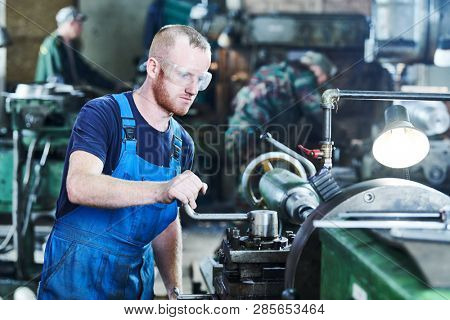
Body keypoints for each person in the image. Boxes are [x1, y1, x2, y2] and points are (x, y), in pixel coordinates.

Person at [37, 25, 212, 299]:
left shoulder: (182, 144)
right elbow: (79, 185)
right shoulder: (103, 114)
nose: (193, 89)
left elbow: (166, 222)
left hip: (133, 285)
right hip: (77, 279)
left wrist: (173, 289)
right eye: (184, 75)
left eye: (201, 79)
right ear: (153, 68)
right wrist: (160, 189)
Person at [225, 51, 337, 167]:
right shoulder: (303, 76)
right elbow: (316, 113)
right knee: (258, 173)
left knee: (247, 169)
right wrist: (340, 138)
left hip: (238, 124)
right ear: (317, 68)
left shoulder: (276, 70)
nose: (323, 82)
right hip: (252, 127)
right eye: (326, 77)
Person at [35, 6, 118, 90]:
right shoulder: (53, 44)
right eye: (79, 24)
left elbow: (85, 71)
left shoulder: (71, 44)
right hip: (51, 98)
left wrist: (113, 86)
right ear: (71, 23)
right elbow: (54, 79)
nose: (81, 28)